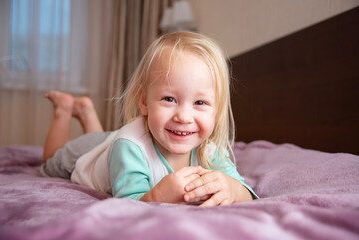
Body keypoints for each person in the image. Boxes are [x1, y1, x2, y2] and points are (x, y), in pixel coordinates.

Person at [41, 31, 259, 206]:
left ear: (217, 111)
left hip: (111, 145)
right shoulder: (129, 147)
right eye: (169, 99)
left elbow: (246, 192)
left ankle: (87, 112)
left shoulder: (210, 152)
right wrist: (157, 196)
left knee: (103, 141)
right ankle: (64, 109)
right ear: (144, 102)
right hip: (94, 150)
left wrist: (232, 188)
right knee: (50, 163)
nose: (184, 117)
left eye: (200, 103)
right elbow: (127, 203)